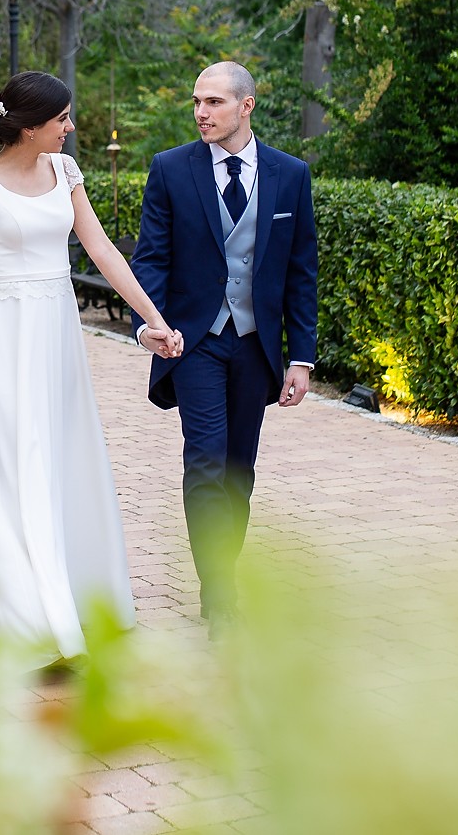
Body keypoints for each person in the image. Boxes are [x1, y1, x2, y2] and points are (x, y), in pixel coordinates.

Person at [0, 71, 182, 664]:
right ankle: (25, 611)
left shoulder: (67, 173)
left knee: (54, 455)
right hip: (0, 338)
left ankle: (63, 590)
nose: (70, 128)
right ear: (28, 128)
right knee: (11, 461)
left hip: (56, 338)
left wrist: (152, 319)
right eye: (62, 120)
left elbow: (103, 250)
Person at [129, 61, 318, 635]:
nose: (201, 113)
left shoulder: (290, 175)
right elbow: (152, 257)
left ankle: (223, 572)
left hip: (255, 346)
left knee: (239, 470)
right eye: (196, 102)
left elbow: (301, 272)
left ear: (247, 106)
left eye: (213, 102)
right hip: (195, 343)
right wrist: (150, 325)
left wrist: (302, 357)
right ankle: (219, 588)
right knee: (205, 462)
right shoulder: (170, 169)